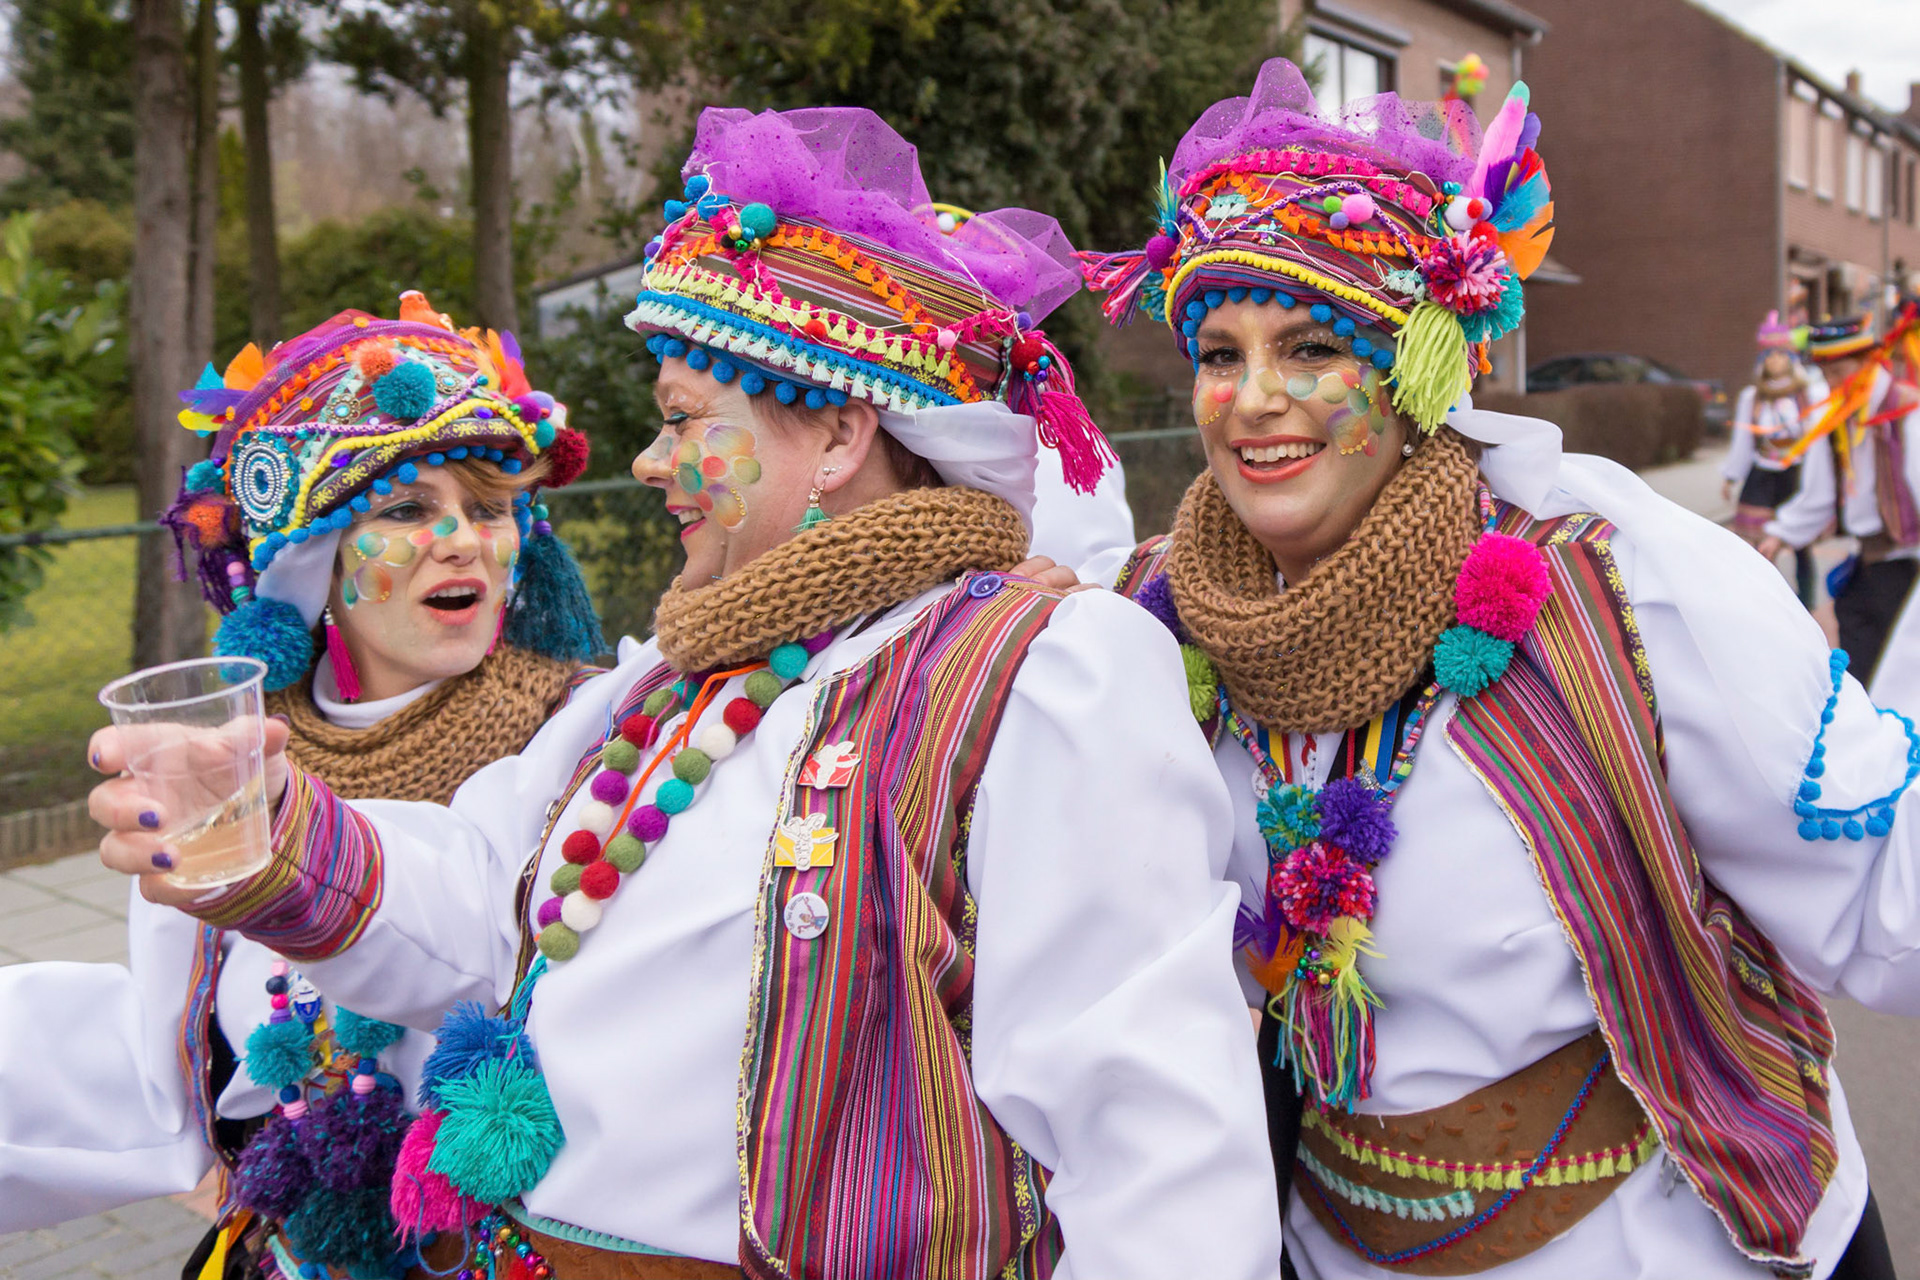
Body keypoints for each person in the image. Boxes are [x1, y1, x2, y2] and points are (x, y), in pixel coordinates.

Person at [86, 106, 1283, 1280]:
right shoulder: (662, 679)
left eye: (681, 419)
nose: (649, 460)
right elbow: (480, 895)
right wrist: (273, 831)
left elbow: (1156, 1155)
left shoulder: (1037, 673)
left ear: (838, 435)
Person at [1080, 59, 1908, 1278]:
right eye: (1218, 352)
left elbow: (1880, 891)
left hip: (1642, 1244)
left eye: (1311, 345)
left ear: (1416, 366)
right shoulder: (1152, 622)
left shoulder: (1620, 589)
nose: (1254, 399)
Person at [0, 294, 605, 1279]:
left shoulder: (597, 735)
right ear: (311, 564)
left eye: (489, 507)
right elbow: (164, 1067)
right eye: (406, 509)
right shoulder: (232, 772)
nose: (462, 539)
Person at [1759, 312, 1920, 682]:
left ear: (1868, 361)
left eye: (1839, 371)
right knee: (1859, 666)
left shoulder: (1906, 409)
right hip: (1867, 562)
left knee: (1899, 675)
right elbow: (1817, 494)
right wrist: (1780, 534)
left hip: (1907, 566)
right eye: (1826, 374)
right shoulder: (1836, 418)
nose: (1832, 382)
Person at [1723, 310, 1822, 604]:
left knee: (1800, 544)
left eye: (1780, 355)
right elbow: (1743, 441)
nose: (1775, 361)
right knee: (1758, 545)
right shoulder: (1752, 397)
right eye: (1769, 356)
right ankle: (1766, 601)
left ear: (1790, 358)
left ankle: (1806, 603)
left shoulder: (1806, 395)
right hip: (1763, 475)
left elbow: (1816, 438)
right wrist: (1731, 476)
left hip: (1794, 473)